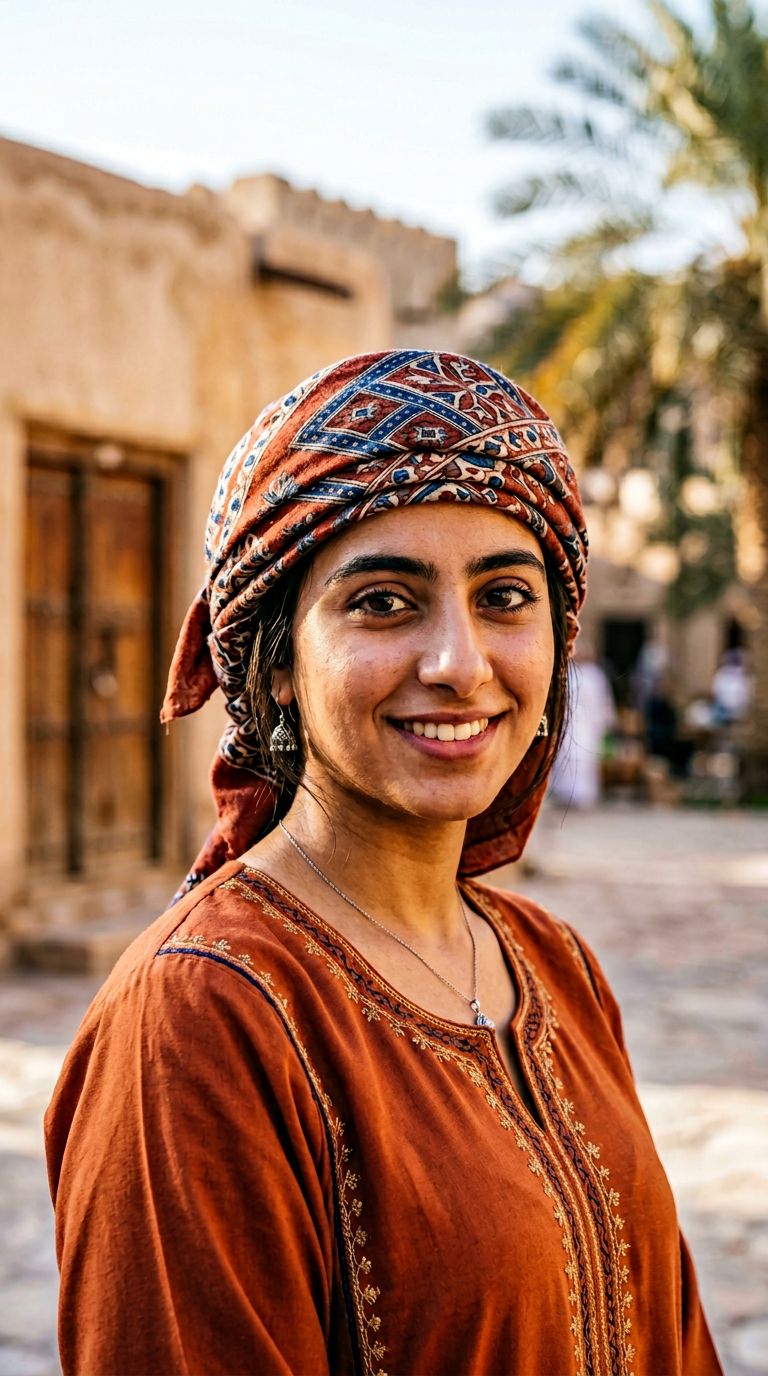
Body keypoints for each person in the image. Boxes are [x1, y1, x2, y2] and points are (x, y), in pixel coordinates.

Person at [45, 350, 721, 1375]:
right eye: (384, 602)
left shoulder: (555, 963)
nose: (460, 664)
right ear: (275, 660)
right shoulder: (200, 1017)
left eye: (505, 596)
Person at [549, 641, 615, 808]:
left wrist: (605, 721)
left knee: (586, 759)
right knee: (567, 756)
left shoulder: (595, 675)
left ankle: (584, 795)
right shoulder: (568, 672)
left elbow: (603, 701)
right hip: (569, 722)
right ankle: (565, 793)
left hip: (589, 724)